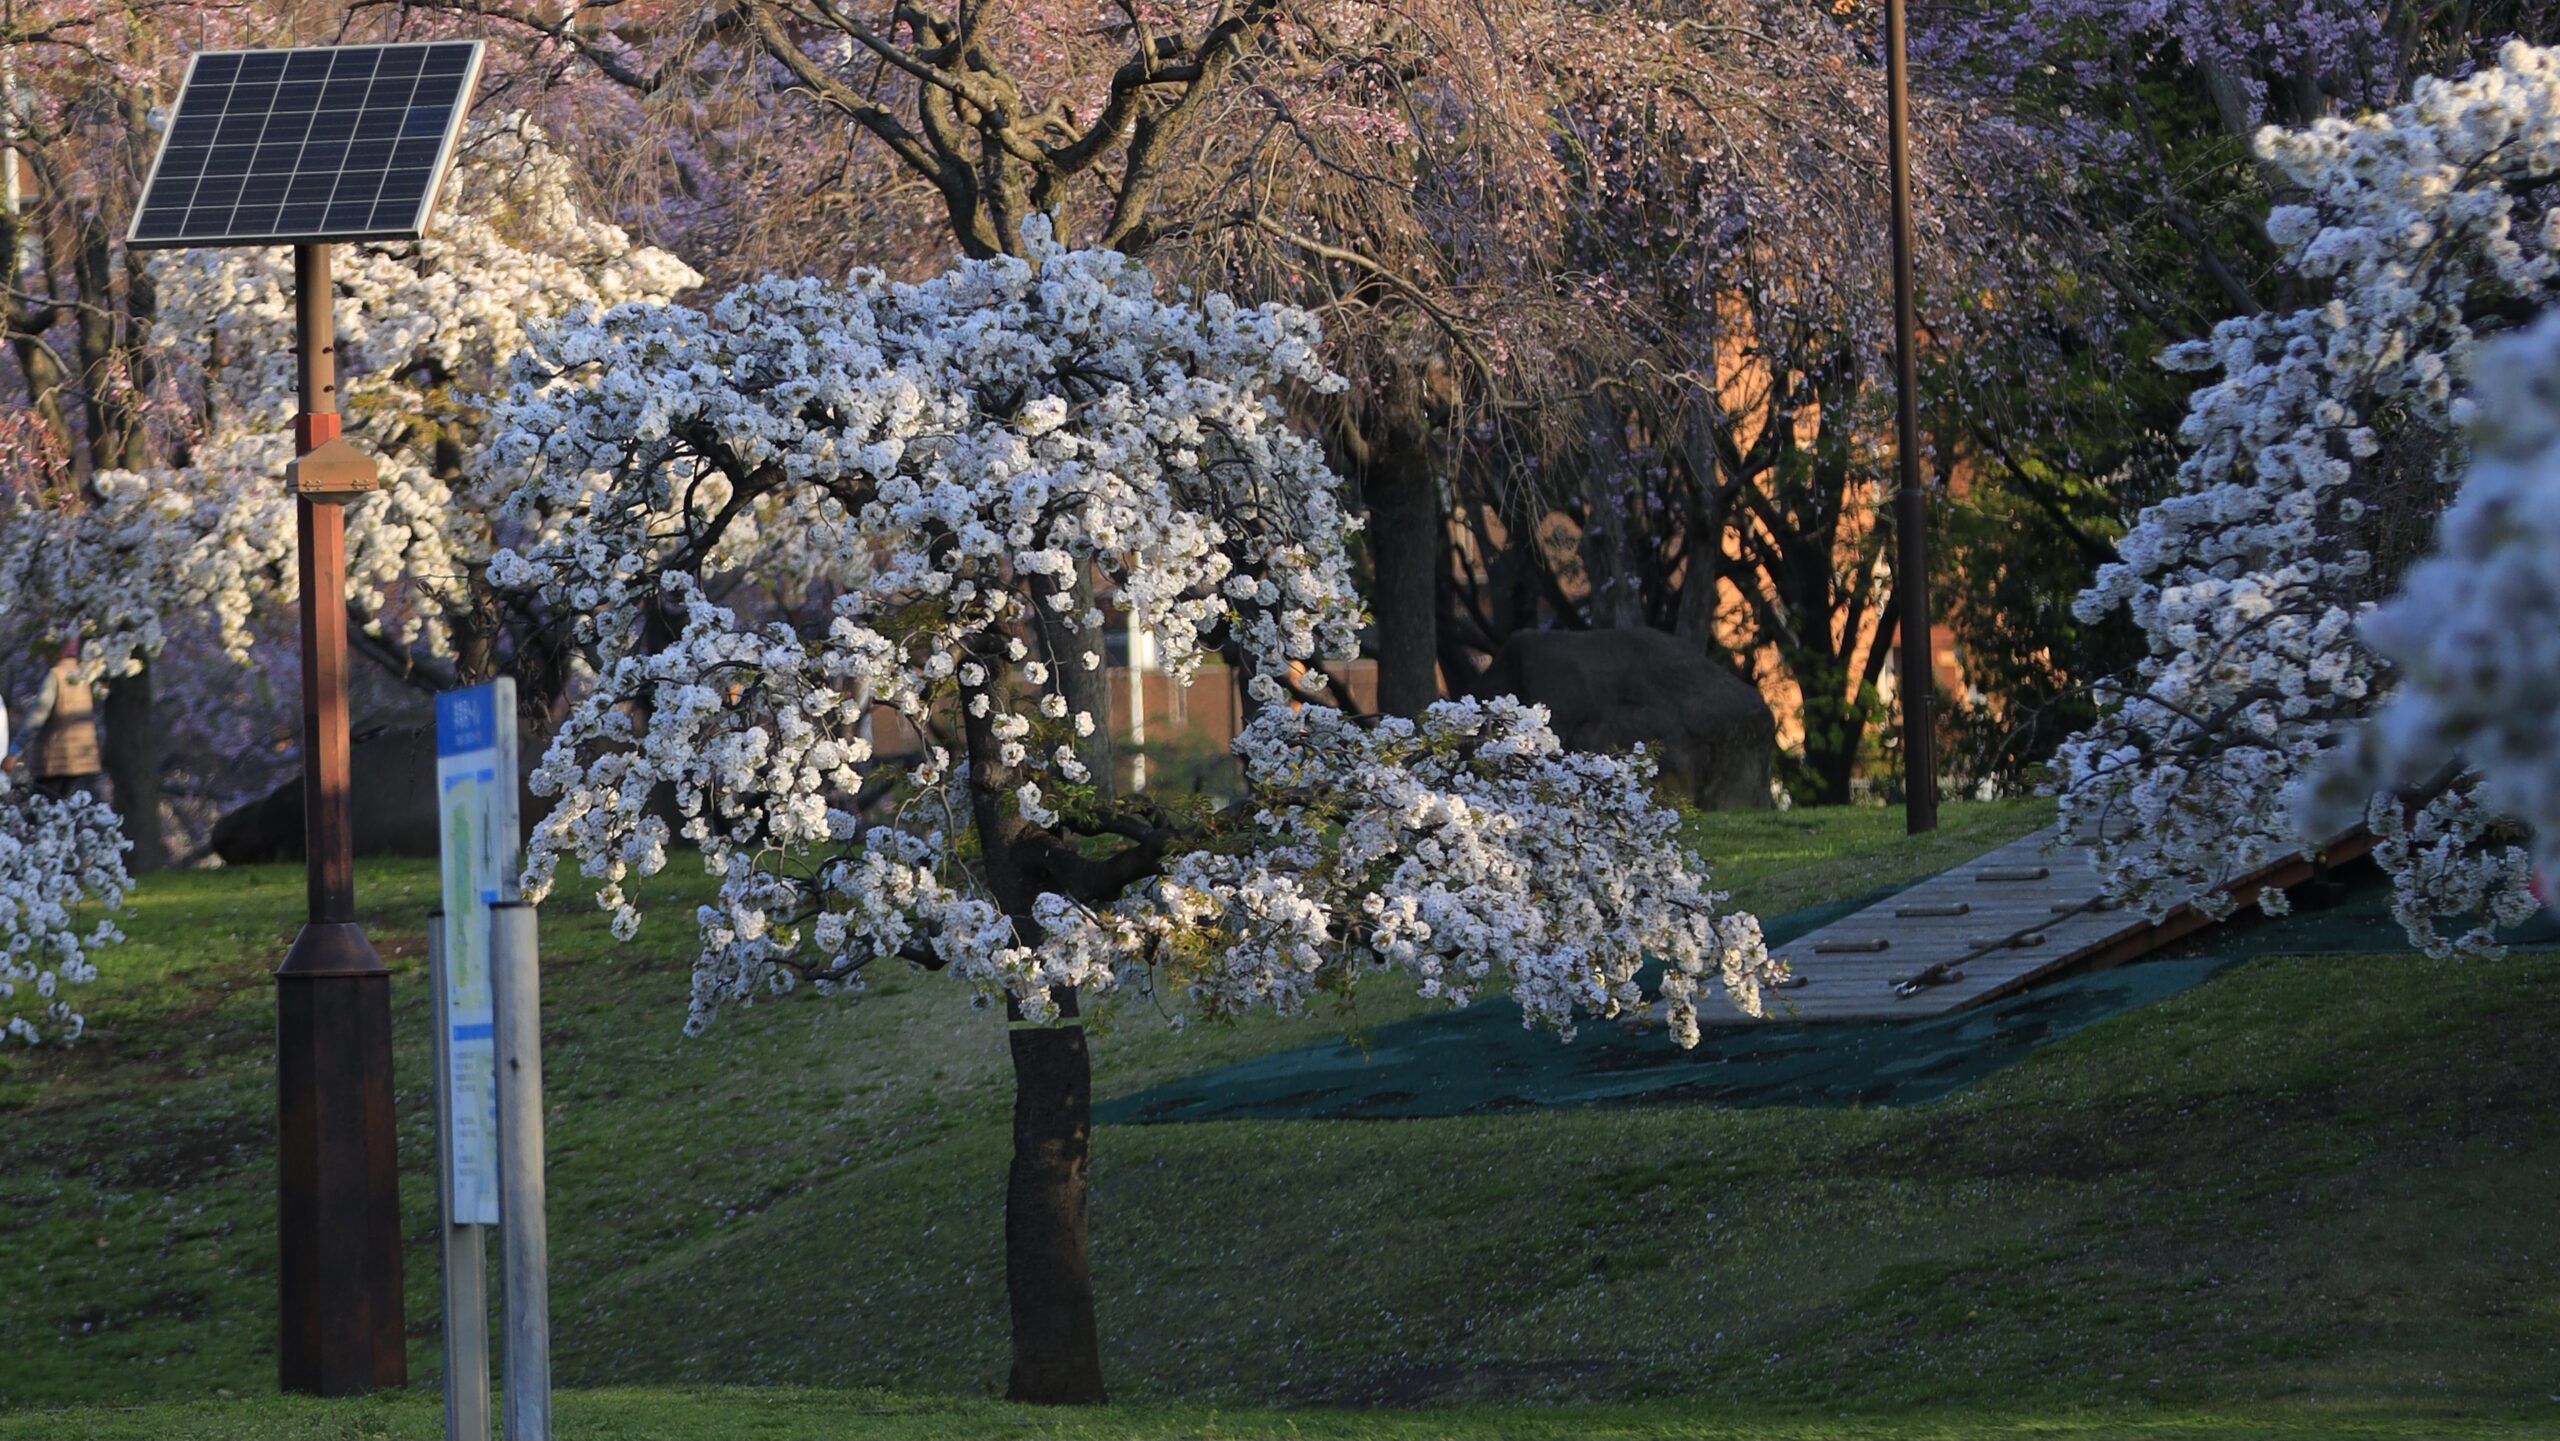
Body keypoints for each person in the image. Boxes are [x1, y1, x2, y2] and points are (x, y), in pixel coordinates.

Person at [22, 638, 102, 800]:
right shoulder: (83, 675)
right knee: (62, 808)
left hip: (54, 759)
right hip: (78, 760)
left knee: (41, 809)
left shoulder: (56, 675)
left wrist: (15, 748)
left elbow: (39, 712)